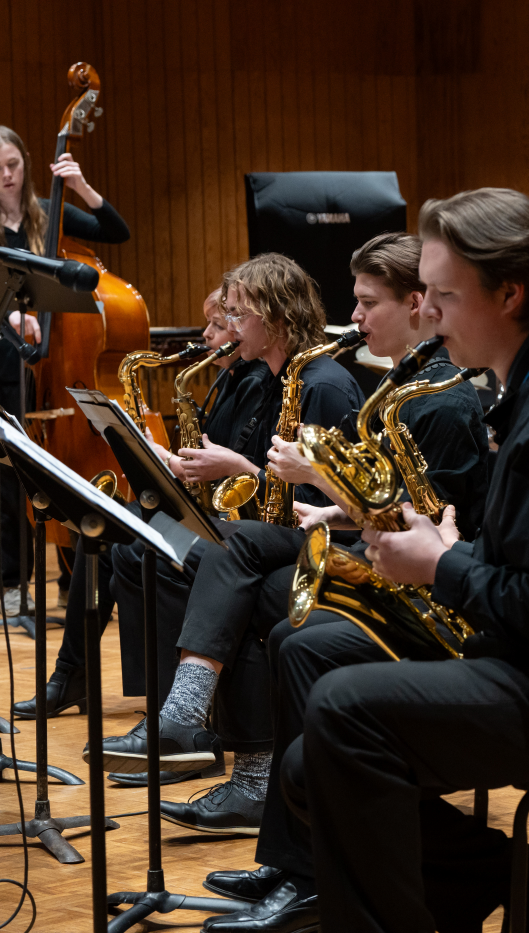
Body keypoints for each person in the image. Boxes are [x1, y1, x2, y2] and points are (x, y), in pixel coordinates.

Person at [206, 188, 529, 933]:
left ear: (510, 294)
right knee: (312, 754)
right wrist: (452, 548)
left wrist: (441, 565)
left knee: (345, 716)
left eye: (443, 294)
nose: (429, 312)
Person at [127, 233, 492, 833]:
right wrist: (331, 508)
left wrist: (317, 480)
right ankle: (240, 764)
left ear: (416, 304)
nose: (353, 317)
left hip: (414, 580)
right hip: (355, 541)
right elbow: (379, 496)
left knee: (247, 574)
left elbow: (430, 519)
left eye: (368, 303)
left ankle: (229, 749)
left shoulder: (441, 402)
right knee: (233, 558)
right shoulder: (396, 385)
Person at [86, 253, 364, 781]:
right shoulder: (268, 379)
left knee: (210, 552)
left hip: (319, 537)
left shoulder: (322, 384)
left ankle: (187, 716)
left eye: (239, 314)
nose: (230, 327)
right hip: (267, 529)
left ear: (278, 316)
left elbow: (317, 498)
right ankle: (178, 719)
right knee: (157, 544)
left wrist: (240, 470)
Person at [10, 287, 266, 739]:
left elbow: (244, 469)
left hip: (240, 531)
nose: (207, 336)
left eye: (217, 325)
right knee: (100, 529)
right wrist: (156, 456)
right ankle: (72, 673)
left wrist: (186, 466)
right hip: (214, 517)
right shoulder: (228, 379)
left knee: (133, 545)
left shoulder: (259, 380)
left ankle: (170, 707)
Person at [0, 126, 130, 615]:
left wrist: (82, 189)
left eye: (13, 164)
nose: (8, 176)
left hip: (59, 361)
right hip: (7, 359)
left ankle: (77, 576)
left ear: (26, 163)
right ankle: (13, 582)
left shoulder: (50, 213)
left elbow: (116, 232)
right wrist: (9, 312)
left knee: (64, 466)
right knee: (10, 475)